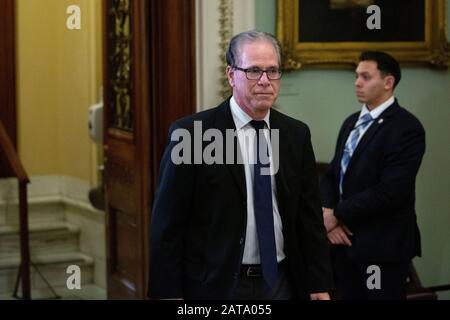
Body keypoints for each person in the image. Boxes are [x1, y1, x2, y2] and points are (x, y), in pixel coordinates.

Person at [148, 30, 333, 300]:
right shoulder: (193, 135)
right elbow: (168, 224)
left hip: (281, 282)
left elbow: (309, 218)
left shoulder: (296, 134)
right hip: (217, 285)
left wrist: (319, 283)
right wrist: (169, 294)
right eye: (254, 71)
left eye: (273, 71)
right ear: (231, 75)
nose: (265, 81)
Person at [320, 51, 425, 300]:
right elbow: (332, 175)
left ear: (388, 83)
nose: (357, 82)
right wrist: (326, 212)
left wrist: (337, 215)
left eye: (366, 77)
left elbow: (391, 191)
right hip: (343, 246)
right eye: (356, 76)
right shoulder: (351, 122)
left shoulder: (406, 128)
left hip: (381, 248)